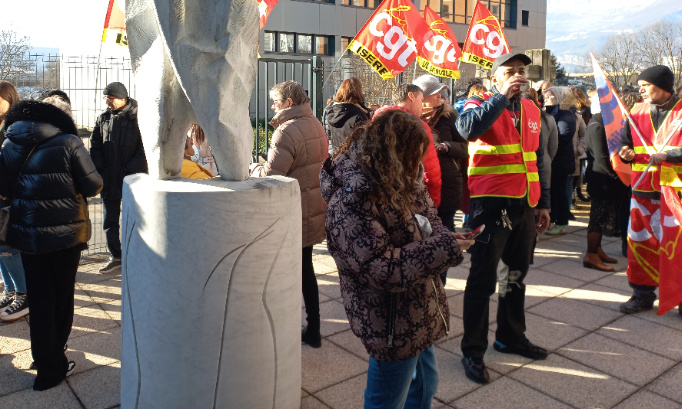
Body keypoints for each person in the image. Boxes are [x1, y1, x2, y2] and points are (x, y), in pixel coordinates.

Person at [321, 109, 473, 408]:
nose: (417, 165)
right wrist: (442, 249)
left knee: (425, 387)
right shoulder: (353, 198)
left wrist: (444, 237)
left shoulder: (401, 177)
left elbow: (428, 216)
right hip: (390, 321)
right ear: (391, 153)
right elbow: (382, 268)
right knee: (386, 399)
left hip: (417, 311)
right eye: (412, 156)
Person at [455, 53, 551, 384]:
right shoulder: (478, 103)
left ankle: (510, 337)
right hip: (490, 209)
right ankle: (472, 351)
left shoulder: (531, 109)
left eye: (521, 71)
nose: (517, 76)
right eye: (509, 72)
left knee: (515, 277)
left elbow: (537, 157)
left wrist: (543, 202)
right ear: (495, 78)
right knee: (482, 282)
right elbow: (468, 129)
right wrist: (501, 97)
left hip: (525, 206)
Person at [0, 95, 103, 391]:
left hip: (27, 233)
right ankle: (52, 365)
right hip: (65, 236)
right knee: (62, 298)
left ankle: (44, 359)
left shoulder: (10, 142)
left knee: (41, 298)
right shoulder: (69, 142)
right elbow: (94, 185)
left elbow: (3, 188)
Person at [250, 81, 328, 347]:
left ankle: (299, 327)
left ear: (289, 103)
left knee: (296, 271)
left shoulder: (286, 131)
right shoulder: (315, 123)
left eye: (275, 102)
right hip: (312, 205)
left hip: (294, 209)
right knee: (306, 268)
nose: (272, 106)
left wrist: (253, 169)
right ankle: (314, 328)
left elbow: (272, 175)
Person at [618, 65, 682, 315]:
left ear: (663, 87)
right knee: (641, 243)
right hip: (643, 188)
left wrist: (669, 155)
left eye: (645, 85)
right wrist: (626, 154)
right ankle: (641, 294)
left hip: (674, 191)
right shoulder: (636, 111)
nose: (640, 90)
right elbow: (625, 144)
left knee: (677, 245)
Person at [90, 82, 147, 274]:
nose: (107, 102)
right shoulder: (103, 118)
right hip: (109, 178)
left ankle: (138, 255)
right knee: (110, 221)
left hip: (134, 179)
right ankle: (116, 256)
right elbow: (95, 145)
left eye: (111, 98)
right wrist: (101, 169)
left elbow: (144, 150)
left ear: (123, 98)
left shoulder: (138, 117)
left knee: (138, 220)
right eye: (106, 98)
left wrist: (128, 172)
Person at [583, 93, 634, 272]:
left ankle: (597, 249)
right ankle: (591, 254)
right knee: (597, 218)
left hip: (605, 180)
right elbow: (601, 158)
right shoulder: (597, 125)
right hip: (600, 180)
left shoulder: (603, 124)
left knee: (602, 218)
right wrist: (617, 177)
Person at [373, 84, 442, 208]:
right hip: (407, 195)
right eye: (421, 100)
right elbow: (431, 170)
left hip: (377, 193)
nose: (422, 106)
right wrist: (433, 201)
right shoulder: (419, 126)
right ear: (411, 96)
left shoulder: (376, 121)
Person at [414, 74, 467, 233]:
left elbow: (465, 147)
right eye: (435, 92)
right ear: (422, 97)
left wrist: (446, 146)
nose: (440, 95)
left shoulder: (449, 115)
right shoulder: (411, 117)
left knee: (446, 230)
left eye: (441, 91)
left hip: (447, 184)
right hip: (419, 185)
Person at [0, 80, 28, 321]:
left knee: (8, 247)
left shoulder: (15, 126)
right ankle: (9, 290)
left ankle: (24, 294)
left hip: (8, 196)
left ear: (9, 99)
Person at [543, 86, 577, 235]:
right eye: (545, 96)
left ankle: (561, 222)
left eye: (549, 96)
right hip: (551, 160)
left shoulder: (566, 115)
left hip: (560, 161)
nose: (545, 99)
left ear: (559, 98)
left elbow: (563, 136)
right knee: (552, 192)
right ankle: (552, 219)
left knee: (559, 192)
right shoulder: (548, 113)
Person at [323, 77, 370, 155]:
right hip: (353, 158)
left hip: (336, 156)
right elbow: (363, 143)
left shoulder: (331, 111)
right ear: (358, 92)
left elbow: (329, 136)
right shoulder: (359, 115)